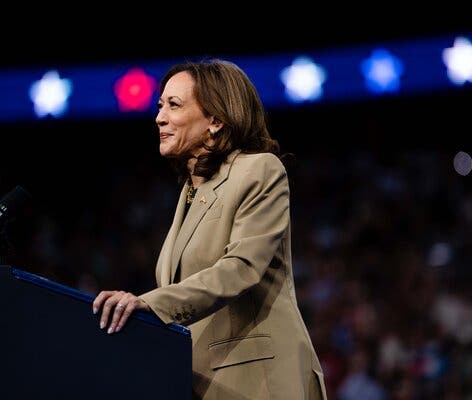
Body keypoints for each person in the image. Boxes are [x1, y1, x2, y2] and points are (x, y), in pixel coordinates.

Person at [92, 59, 327, 399]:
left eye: (174, 105)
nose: (159, 117)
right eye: (160, 106)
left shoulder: (259, 170)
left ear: (215, 121)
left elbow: (241, 269)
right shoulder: (190, 192)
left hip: (260, 382)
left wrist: (149, 304)